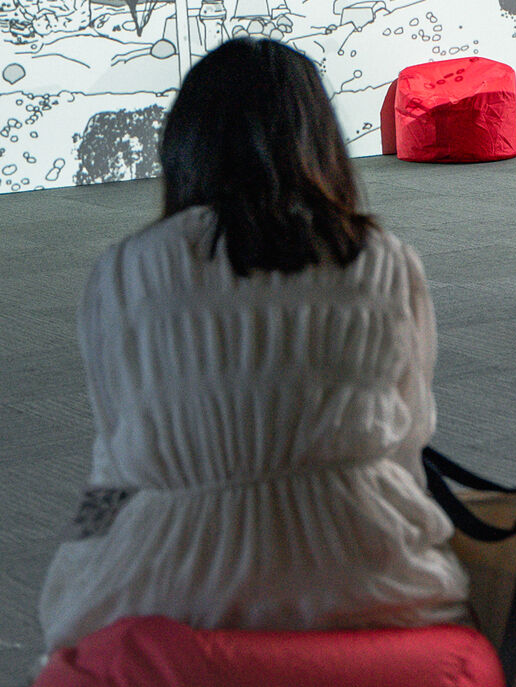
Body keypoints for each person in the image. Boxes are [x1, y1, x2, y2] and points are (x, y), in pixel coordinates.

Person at [40, 39, 469, 656]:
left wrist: (74, 582)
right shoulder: (386, 262)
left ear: (185, 144)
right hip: (372, 579)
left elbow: (116, 463)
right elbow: (406, 439)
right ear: (321, 140)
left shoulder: (123, 270)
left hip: (169, 582)